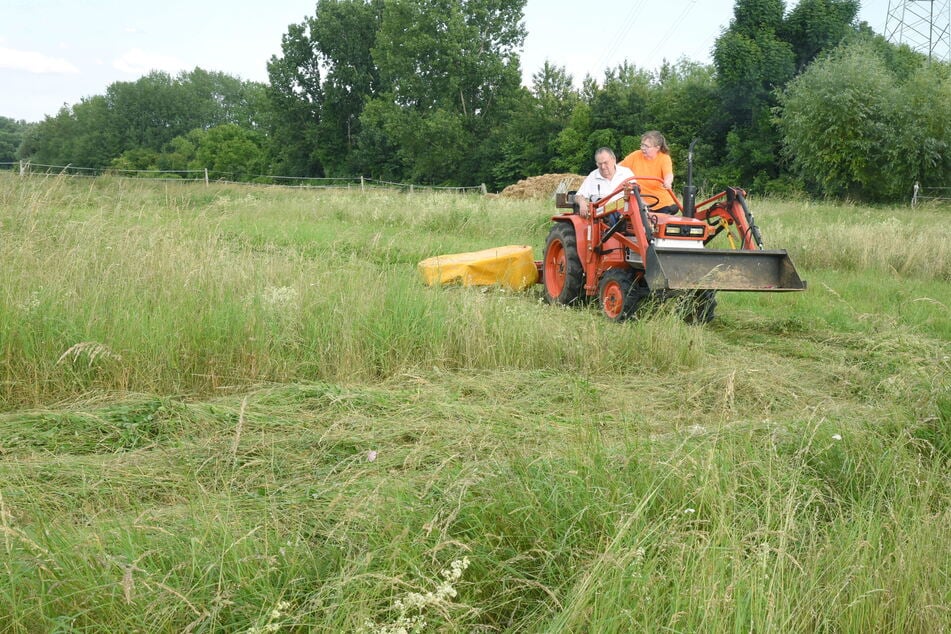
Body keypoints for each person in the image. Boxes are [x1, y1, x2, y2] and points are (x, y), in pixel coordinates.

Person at [619, 131, 679, 215]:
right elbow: (618, 168)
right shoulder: (635, 155)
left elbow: (668, 174)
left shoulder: (664, 158)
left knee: (659, 221)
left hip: (662, 203)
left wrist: (667, 182)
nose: (643, 148)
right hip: (640, 202)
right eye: (642, 145)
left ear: (657, 148)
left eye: (646, 146)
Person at [574, 147, 635, 224]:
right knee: (609, 216)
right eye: (600, 164)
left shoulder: (626, 173)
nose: (603, 167)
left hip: (625, 210)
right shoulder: (593, 176)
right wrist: (582, 202)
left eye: (605, 163)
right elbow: (578, 195)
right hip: (603, 214)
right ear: (596, 163)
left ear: (614, 160)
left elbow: (635, 192)